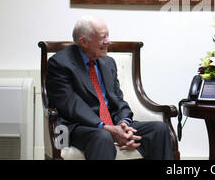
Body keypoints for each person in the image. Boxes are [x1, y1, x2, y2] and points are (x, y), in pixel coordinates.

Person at [46, 15, 174, 160]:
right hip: (75, 126)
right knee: (103, 136)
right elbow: (71, 105)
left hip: (111, 123)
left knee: (159, 129)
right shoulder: (59, 63)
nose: (109, 41)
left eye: (108, 35)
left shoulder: (108, 62)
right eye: (103, 37)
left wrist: (123, 124)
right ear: (83, 41)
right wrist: (106, 128)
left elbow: (118, 99)